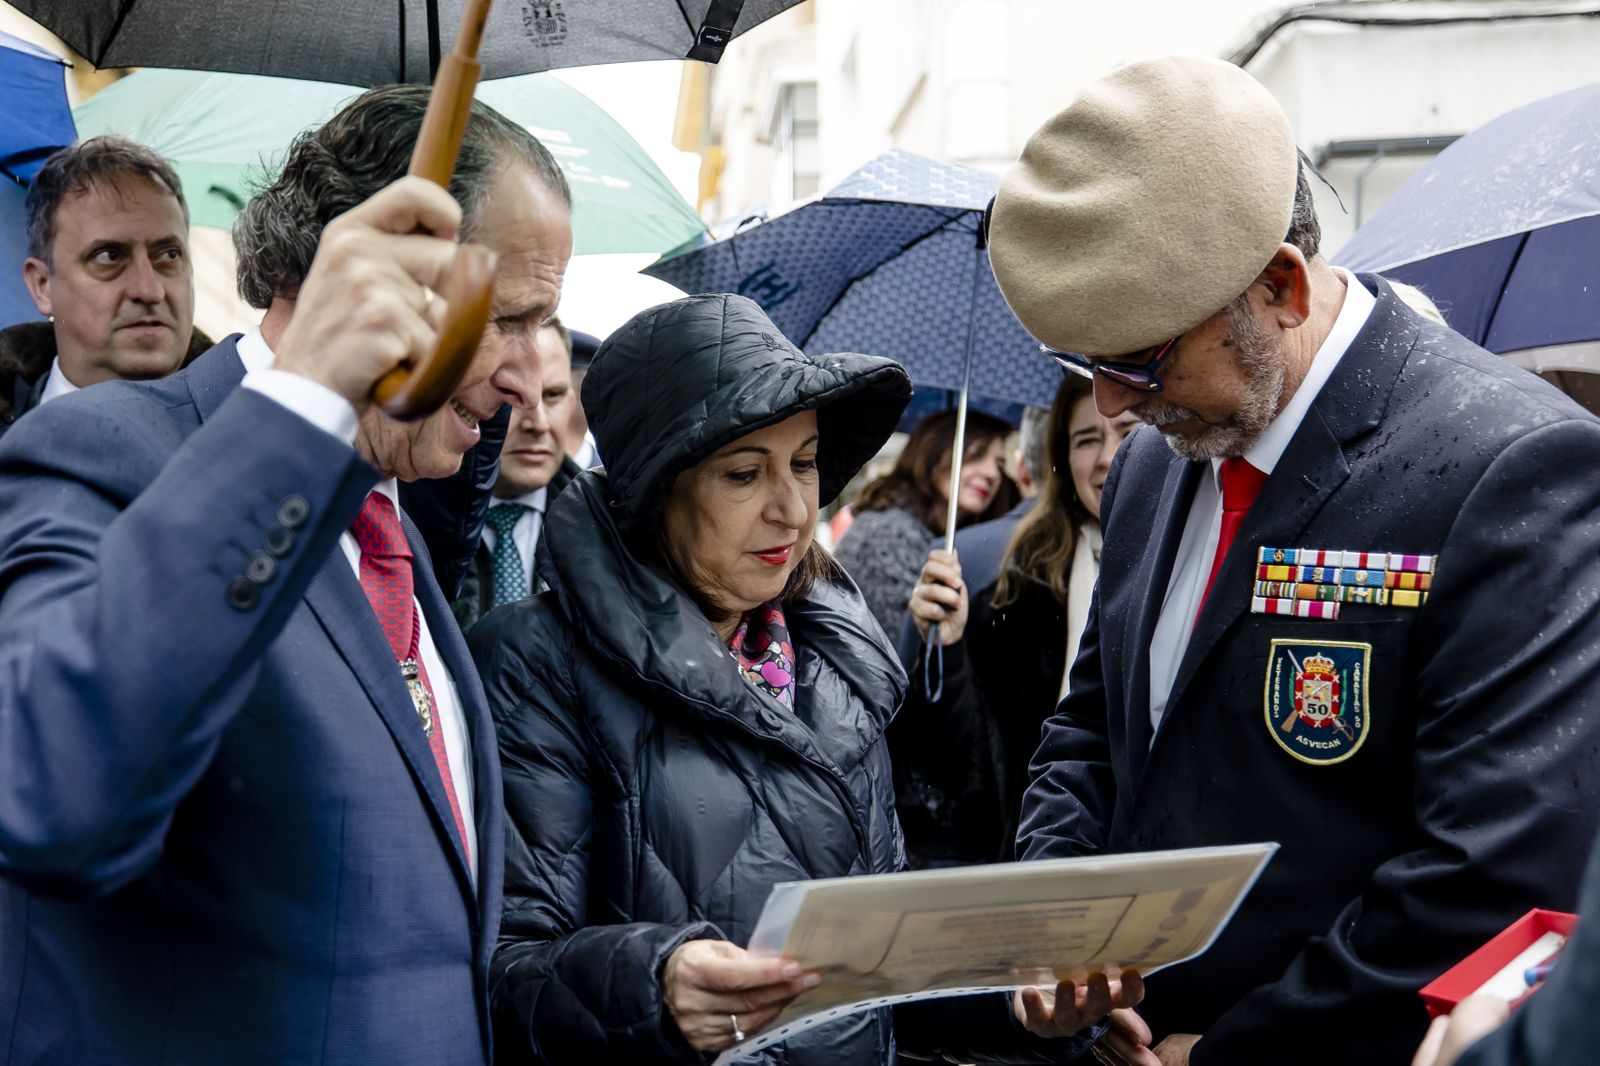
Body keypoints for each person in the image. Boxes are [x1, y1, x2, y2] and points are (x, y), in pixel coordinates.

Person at [987, 56, 1600, 1065]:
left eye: (1138, 359)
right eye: (1081, 364)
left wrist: (1225, 1049)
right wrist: (1060, 944)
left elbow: (1491, 867)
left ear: (1278, 283)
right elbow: (1093, 726)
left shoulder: (1513, 465)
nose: (1107, 407)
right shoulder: (1159, 458)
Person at [0, 86, 573, 1065]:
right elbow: (52, 792)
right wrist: (308, 400)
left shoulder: (399, 515)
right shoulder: (96, 448)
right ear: (369, 274)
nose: (531, 379)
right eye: (508, 318)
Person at [470, 293, 1130, 1065]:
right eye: (746, 473)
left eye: (806, 464)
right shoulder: (535, 665)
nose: (791, 509)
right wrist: (658, 985)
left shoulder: (837, 662)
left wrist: (1021, 1005)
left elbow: (878, 970)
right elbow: (505, 971)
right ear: (657, 490)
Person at [892, 374, 1138, 867]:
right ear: (1063, 461)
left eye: (1129, 433)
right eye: (1087, 439)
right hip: (1035, 853)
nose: (1108, 457)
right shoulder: (1012, 582)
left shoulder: (1187, 555)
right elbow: (958, 760)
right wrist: (944, 646)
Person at [1, 136, 208, 438]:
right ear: (43, 285)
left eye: (168, 255)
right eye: (109, 257)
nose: (149, 290)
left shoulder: (258, 441)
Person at [834, 408, 1018, 636]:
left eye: (999, 464)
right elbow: (908, 649)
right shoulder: (887, 534)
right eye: (976, 455)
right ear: (934, 454)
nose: (992, 473)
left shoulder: (941, 533)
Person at [451, 315, 583, 631]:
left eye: (552, 395)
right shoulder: (413, 526)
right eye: (512, 397)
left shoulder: (613, 532)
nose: (538, 423)